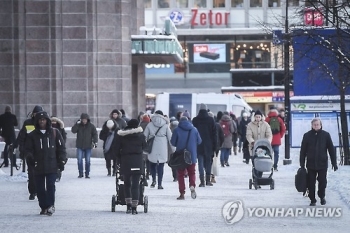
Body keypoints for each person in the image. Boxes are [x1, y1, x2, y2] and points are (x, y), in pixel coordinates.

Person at [25, 111, 67, 216]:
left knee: (50, 185)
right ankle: (43, 206)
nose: (42, 122)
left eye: (43, 120)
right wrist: (29, 157)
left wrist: (62, 160)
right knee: (39, 187)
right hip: (38, 164)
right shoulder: (32, 135)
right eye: (40, 120)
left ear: (47, 121)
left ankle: (50, 205)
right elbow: (28, 149)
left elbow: (61, 148)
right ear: (37, 121)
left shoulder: (55, 133)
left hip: (51, 164)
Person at [299, 118, 338, 206]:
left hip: (322, 163)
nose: (316, 126)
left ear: (321, 125)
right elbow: (303, 151)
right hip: (311, 164)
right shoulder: (307, 135)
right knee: (311, 182)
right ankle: (312, 199)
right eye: (314, 124)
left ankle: (322, 196)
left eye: (317, 124)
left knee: (322, 181)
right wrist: (302, 164)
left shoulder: (326, 135)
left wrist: (334, 163)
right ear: (312, 125)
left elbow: (331, 150)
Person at [114, 119, 146, 214]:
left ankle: (128, 205)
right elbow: (145, 146)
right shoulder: (141, 135)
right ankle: (134, 208)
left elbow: (116, 149)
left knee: (127, 183)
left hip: (126, 161)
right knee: (136, 185)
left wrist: (119, 158)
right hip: (137, 162)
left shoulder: (122, 136)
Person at [170, 116, 202, 200]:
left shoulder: (177, 130)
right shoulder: (194, 129)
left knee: (180, 175)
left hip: (181, 156)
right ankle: (192, 185)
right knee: (192, 172)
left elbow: (173, 143)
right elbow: (199, 141)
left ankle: (182, 193)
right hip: (192, 155)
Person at [17, 105, 45, 200]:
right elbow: (22, 137)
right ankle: (33, 192)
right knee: (32, 173)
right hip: (30, 152)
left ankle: (40, 191)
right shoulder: (28, 123)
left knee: (41, 173)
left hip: (41, 152)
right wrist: (22, 150)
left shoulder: (44, 124)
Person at [143, 110, 172, 189]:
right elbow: (170, 138)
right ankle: (160, 184)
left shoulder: (150, 124)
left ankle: (153, 180)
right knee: (161, 166)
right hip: (162, 146)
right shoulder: (165, 125)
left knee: (152, 164)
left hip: (152, 146)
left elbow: (144, 136)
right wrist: (173, 149)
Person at [192, 104, 217, 187]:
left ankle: (202, 181)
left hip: (198, 145)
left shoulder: (195, 120)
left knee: (200, 163)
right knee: (208, 163)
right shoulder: (211, 120)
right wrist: (215, 146)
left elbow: (193, 134)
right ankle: (208, 180)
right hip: (209, 145)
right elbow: (214, 134)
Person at [246, 110, 272, 178]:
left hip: (263, 147)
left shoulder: (266, 125)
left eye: (259, 117)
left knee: (262, 163)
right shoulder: (250, 125)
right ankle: (255, 177)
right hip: (253, 147)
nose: (258, 118)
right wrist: (252, 141)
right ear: (254, 117)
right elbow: (248, 135)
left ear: (261, 117)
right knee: (255, 164)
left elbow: (269, 134)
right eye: (256, 117)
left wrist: (268, 142)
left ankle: (259, 177)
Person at [71, 113, 98, 178]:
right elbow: (73, 131)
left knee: (88, 160)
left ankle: (87, 173)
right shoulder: (78, 125)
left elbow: (95, 134)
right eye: (83, 119)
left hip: (88, 145)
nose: (84, 121)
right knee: (79, 160)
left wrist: (95, 142)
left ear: (87, 120)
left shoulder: (91, 126)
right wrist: (76, 124)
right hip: (80, 145)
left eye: (85, 119)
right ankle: (80, 173)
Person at [208, 111, 224, 184]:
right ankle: (213, 176)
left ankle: (208, 175)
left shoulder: (206, 125)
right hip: (216, 147)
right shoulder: (217, 125)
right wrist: (219, 145)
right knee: (214, 162)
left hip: (208, 147)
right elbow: (222, 137)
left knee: (208, 161)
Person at [51, 116, 67, 182]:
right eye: (52, 121)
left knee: (59, 161)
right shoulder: (49, 128)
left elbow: (64, 137)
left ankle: (57, 175)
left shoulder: (60, 129)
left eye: (55, 121)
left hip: (58, 147)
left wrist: (62, 144)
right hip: (51, 147)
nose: (53, 123)